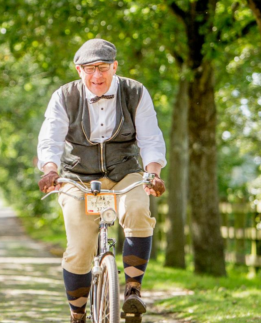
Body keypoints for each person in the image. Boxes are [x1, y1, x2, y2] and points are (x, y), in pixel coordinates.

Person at [36, 39, 167, 323]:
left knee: (137, 212)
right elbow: (51, 138)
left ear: (115, 67)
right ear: (78, 70)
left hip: (125, 172)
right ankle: (78, 314)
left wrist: (153, 173)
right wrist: (49, 169)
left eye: (103, 68)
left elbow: (151, 139)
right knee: (80, 245)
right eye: (89, 69)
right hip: (77, 176)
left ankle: (132, 290)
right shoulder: (64, 96)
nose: (97, 76)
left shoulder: (135, 92)